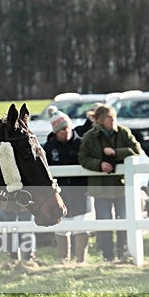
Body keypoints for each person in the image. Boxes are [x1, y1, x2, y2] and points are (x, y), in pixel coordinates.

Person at [79, 104, 143, 262]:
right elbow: (83, 158)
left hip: (121, 186)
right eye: (109, 117)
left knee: (124, 219)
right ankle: (107, 255)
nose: (112, 119)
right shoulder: (90, 137)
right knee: (104, 221)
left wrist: (116, 153)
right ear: (100, 120)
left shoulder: (123, 132)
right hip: (101, 188)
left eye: (114, 116)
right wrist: (99, 165)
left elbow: (136, 150)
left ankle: (123, 252)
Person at [44, 109, 91, 263]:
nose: (66, 131)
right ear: (56, 131)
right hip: (59, 194)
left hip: (80, 192)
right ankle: (64, 259)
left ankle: (80, 260)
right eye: (62, 129)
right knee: (61, 226)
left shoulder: (82, 143)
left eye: (67, 127)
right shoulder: (49, 148)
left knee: (81, 225)